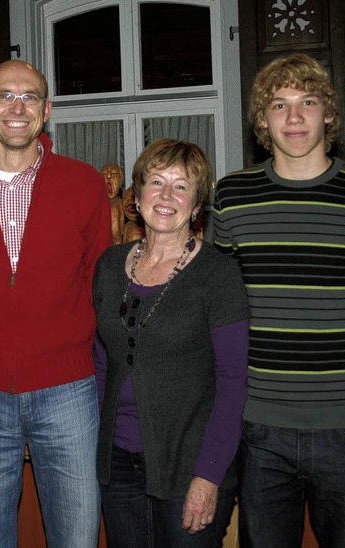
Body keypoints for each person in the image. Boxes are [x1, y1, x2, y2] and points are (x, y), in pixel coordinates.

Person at [0, 59, 111, 547]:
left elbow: (99, 280)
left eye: (29, 96)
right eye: (4, 95)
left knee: (76, 536)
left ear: (46, 110)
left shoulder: (84, 183)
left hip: (68, 389)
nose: (17, 106)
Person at [214, 53, 345, 547]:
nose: (293, 117)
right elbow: (222, 311)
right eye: (279, 104)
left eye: (307, 102)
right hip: (260, 426)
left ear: (328, 114)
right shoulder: (232, 196)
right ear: (261, 120)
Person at [94, 138, 249, 547]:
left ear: (197, 205)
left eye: (181, 186)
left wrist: (209, 475)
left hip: (189, 466)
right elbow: (100, 362)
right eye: (156, 182)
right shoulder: (110, 266)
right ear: (136, 195)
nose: (166, 196)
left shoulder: (218, 274)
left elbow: (233, 382)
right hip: (118, 465)